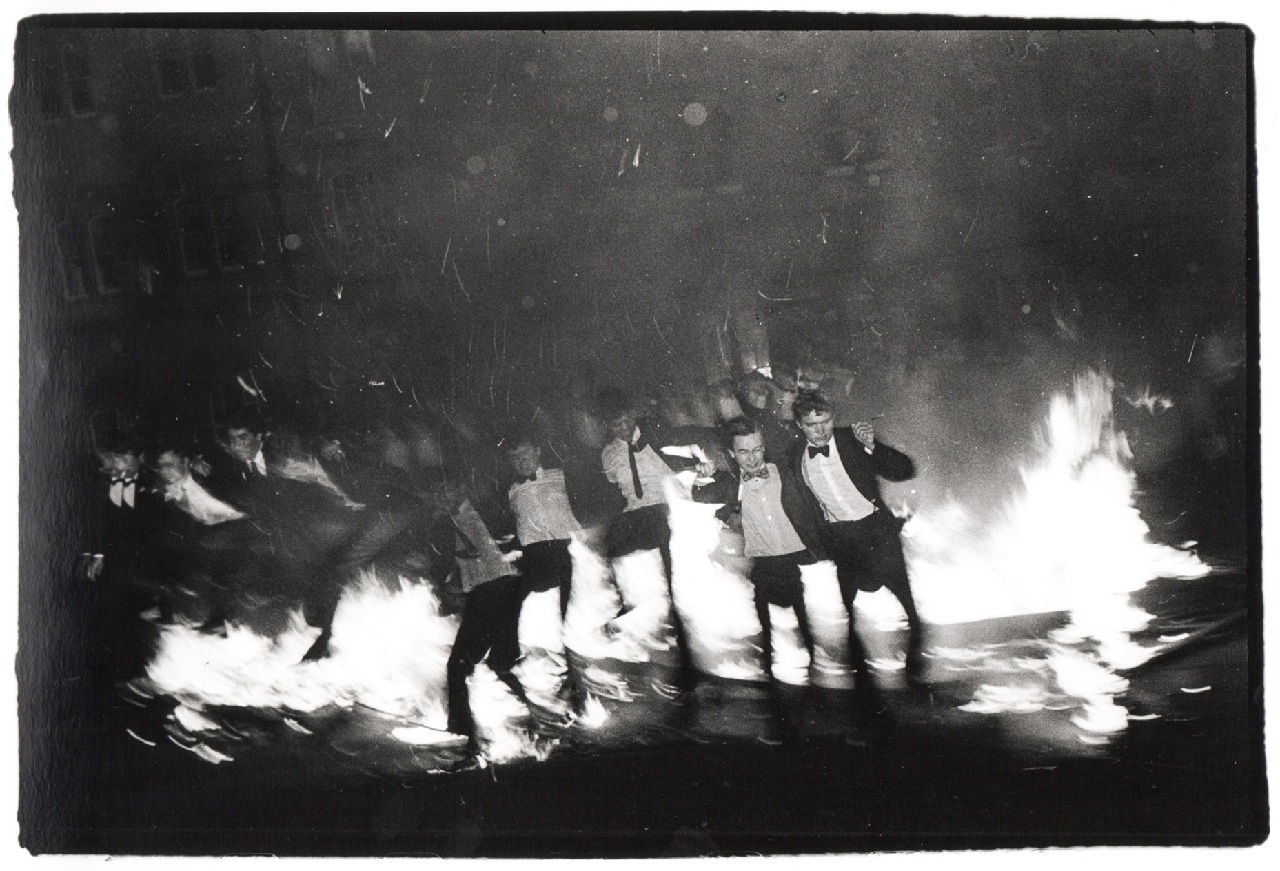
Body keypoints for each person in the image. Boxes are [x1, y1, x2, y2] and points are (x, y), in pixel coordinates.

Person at [788, 391, 926, 710]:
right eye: (811, 425)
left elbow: (904, 470)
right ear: (799, 425)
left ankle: (915, 677)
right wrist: (819, 542)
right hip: (843, 541)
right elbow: (800, 503)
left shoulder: (853, 438)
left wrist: (873, 447)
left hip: (878, 533)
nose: (820, 431)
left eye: (825, 422)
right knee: (850, 616)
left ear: (833, 418)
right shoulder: (795, 456)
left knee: (909, 610)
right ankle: (864, 695)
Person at [596, 387, 718, 694]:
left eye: (624, 420)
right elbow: (613, 490)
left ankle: (689, 660)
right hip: (635, 518)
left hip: (666, 513)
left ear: (633, 416)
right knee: (610, 546)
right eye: (614, 424)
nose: (621, 427)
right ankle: (625, 604)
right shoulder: (608, 454)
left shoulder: (659, 436)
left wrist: (704, 468)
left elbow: (697, 456)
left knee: (675, 586)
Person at [434, 479, 536, 758]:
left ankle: (462, 735)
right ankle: (538, 721)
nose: (443, 496)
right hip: (493, 592)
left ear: (462, 488)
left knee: (460, 666)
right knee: (498, 664)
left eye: (448, 489)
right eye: (439, 493)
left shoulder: (483, 512)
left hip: (497, 592)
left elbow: (505, 545)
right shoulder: (456, 519)